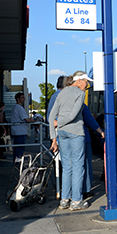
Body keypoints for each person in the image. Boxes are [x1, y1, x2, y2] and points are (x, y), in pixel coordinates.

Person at [48, 71, 92, 211]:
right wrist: (60, 123)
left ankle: (64, 200)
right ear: (79, 80)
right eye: (86, 81)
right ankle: (77, 201)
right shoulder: (80, 94)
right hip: (76, 133)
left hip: (62, 134)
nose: (87, 84)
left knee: (67, 167)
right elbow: (73, 115)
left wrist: (53, 138)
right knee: (78, 167)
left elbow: (50, 118)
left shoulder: (61, 93)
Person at [82, 100, 105, 199]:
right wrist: (100, 131)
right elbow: (89, 119)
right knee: (85, 164)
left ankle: (68, 195)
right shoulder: (80, 103)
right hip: (81, 137)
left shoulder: (59, 100)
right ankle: (86, 190)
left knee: (69, 168)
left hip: (63, 138)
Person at [10, 93, 34, 163]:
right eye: (22, 97)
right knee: (20, 148)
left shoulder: (15, 107)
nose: (24, 99)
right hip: (20, 131)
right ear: (18, 99)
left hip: (16, 131)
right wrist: (33, 120)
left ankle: (17, 161)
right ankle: (18, 162)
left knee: (17, 148)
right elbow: (27, 120)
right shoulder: (19, 108)